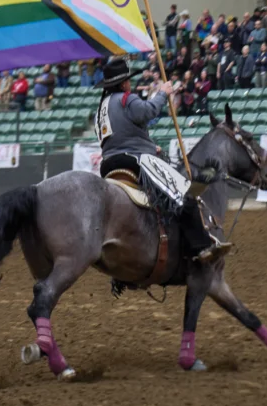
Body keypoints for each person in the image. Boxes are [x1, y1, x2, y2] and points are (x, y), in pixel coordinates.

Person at [93, 59, 229, 264]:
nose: (130, 83)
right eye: (128, 80)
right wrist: (163, 93)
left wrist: (148, 146)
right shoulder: (127, 99)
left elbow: (120, 135)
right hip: (135, 160)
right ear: (123, 83)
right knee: (184, 194)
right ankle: (201, 247)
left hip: (108, 164)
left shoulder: (101, 108)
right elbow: (148, 111)